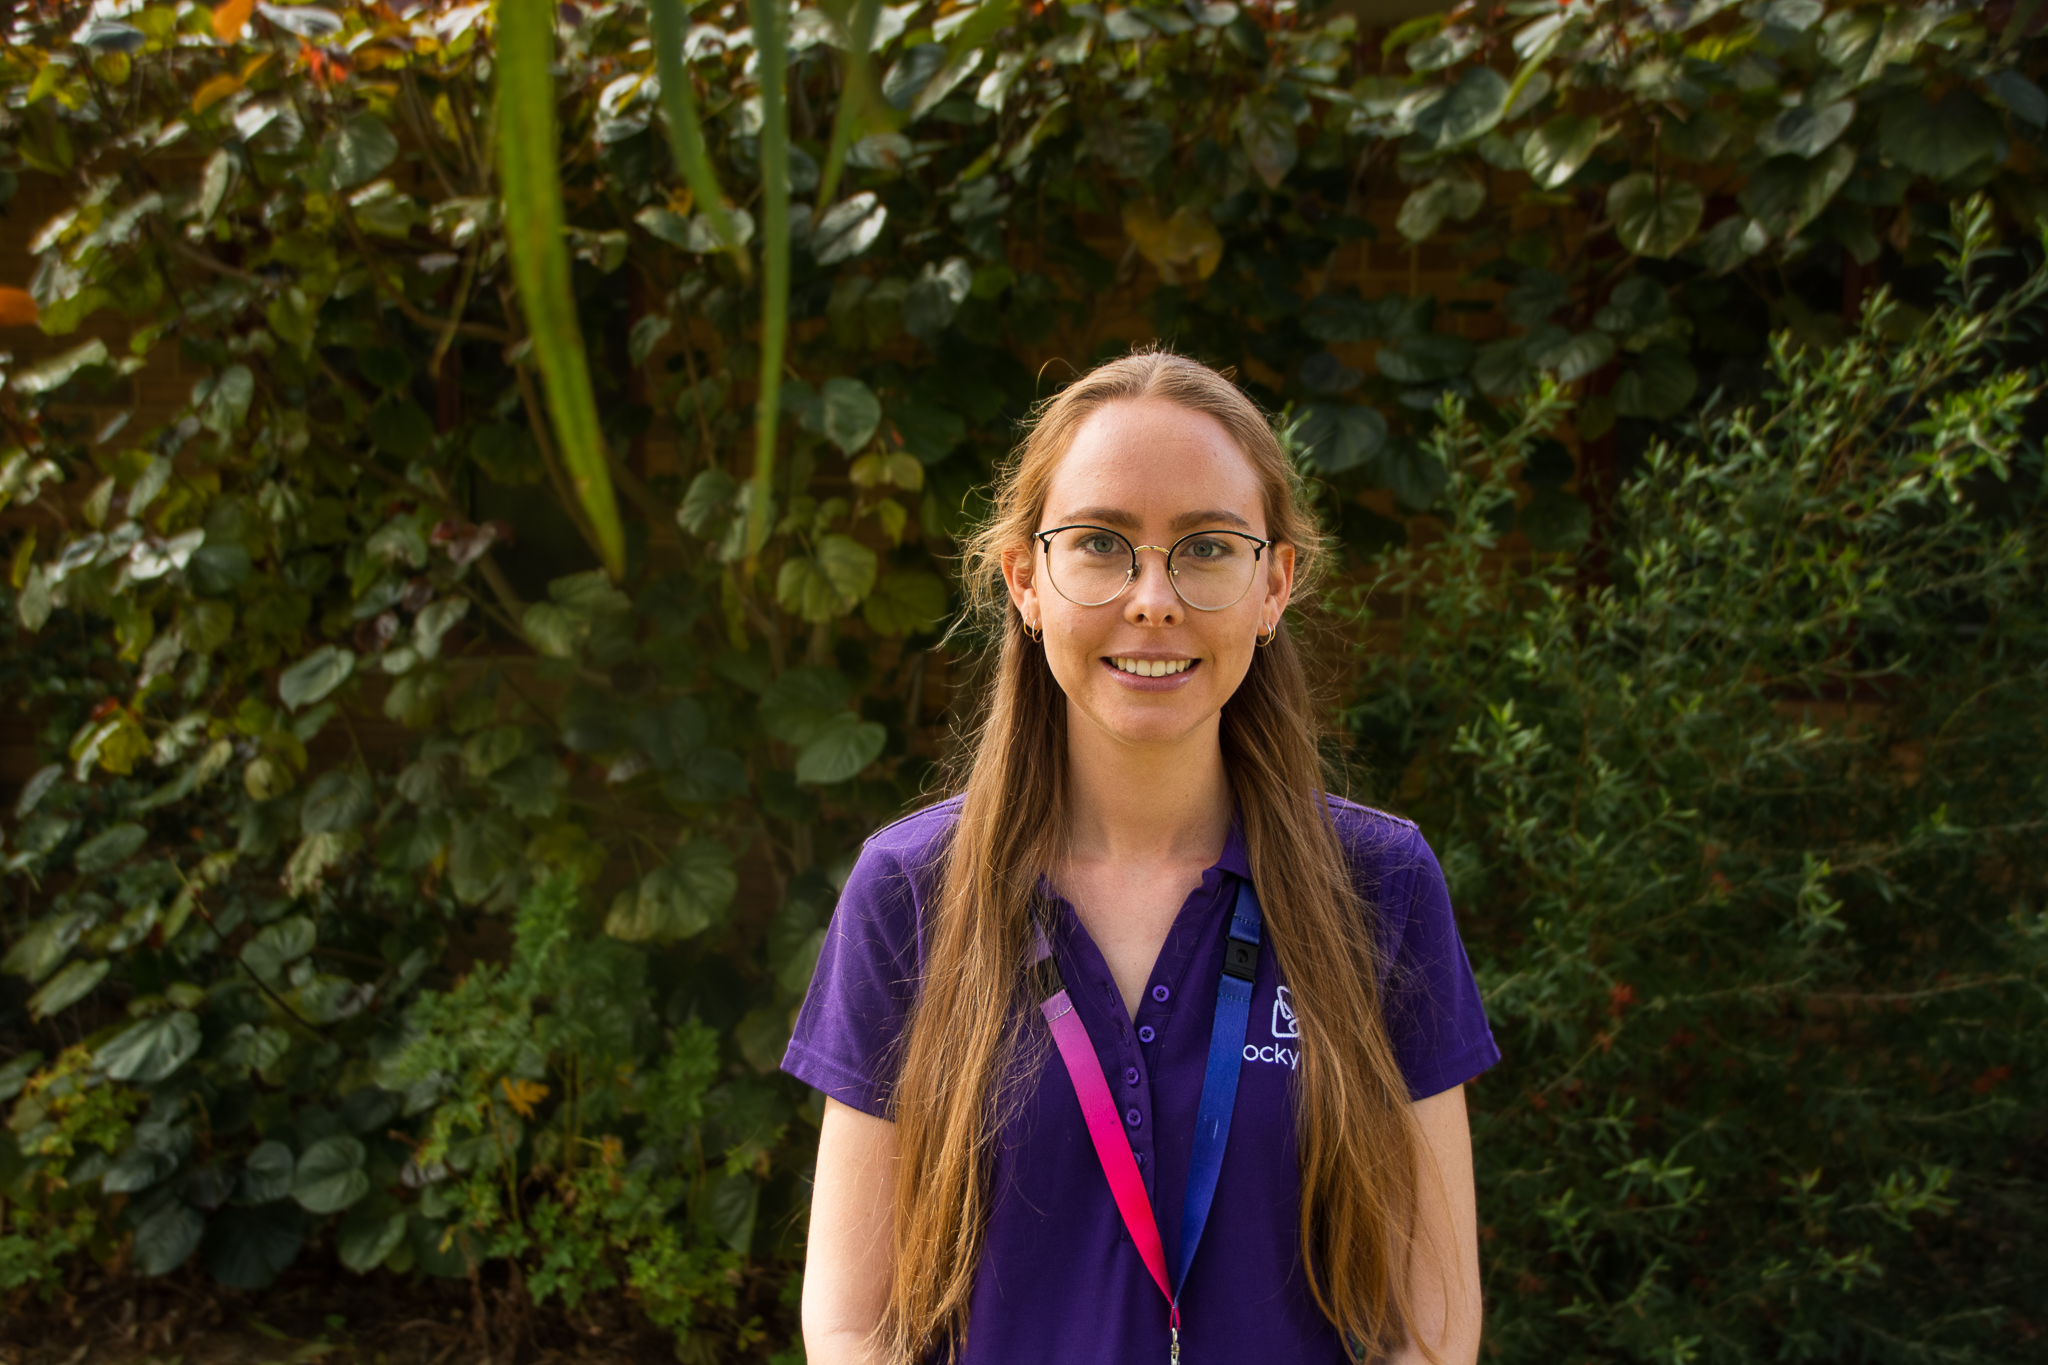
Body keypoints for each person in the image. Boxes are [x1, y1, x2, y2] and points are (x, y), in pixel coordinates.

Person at [783, 350, 1499, 1365]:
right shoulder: (908, 891)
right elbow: (856, 1323)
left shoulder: (1377, 885)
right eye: (1100, 543)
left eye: (1206, 547)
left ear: (1274, 582)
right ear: (1025, 581)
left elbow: (1427, 1327)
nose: (1153, 598)